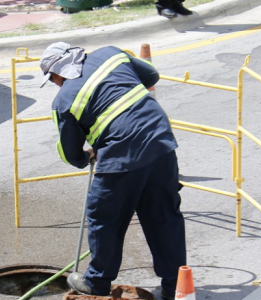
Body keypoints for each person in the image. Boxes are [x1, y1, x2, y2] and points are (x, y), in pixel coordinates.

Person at [39, 42, 187, 300]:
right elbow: (151, 75)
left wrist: (89, 152)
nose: (56, 84)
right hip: (159, 141)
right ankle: (176, 287)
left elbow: (71, 154)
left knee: (104, 219)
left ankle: (96, 283)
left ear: (58, 73)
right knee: (163, 216)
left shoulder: (64, 100)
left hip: (121, 158)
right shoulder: (111, 54)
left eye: (52, 79)